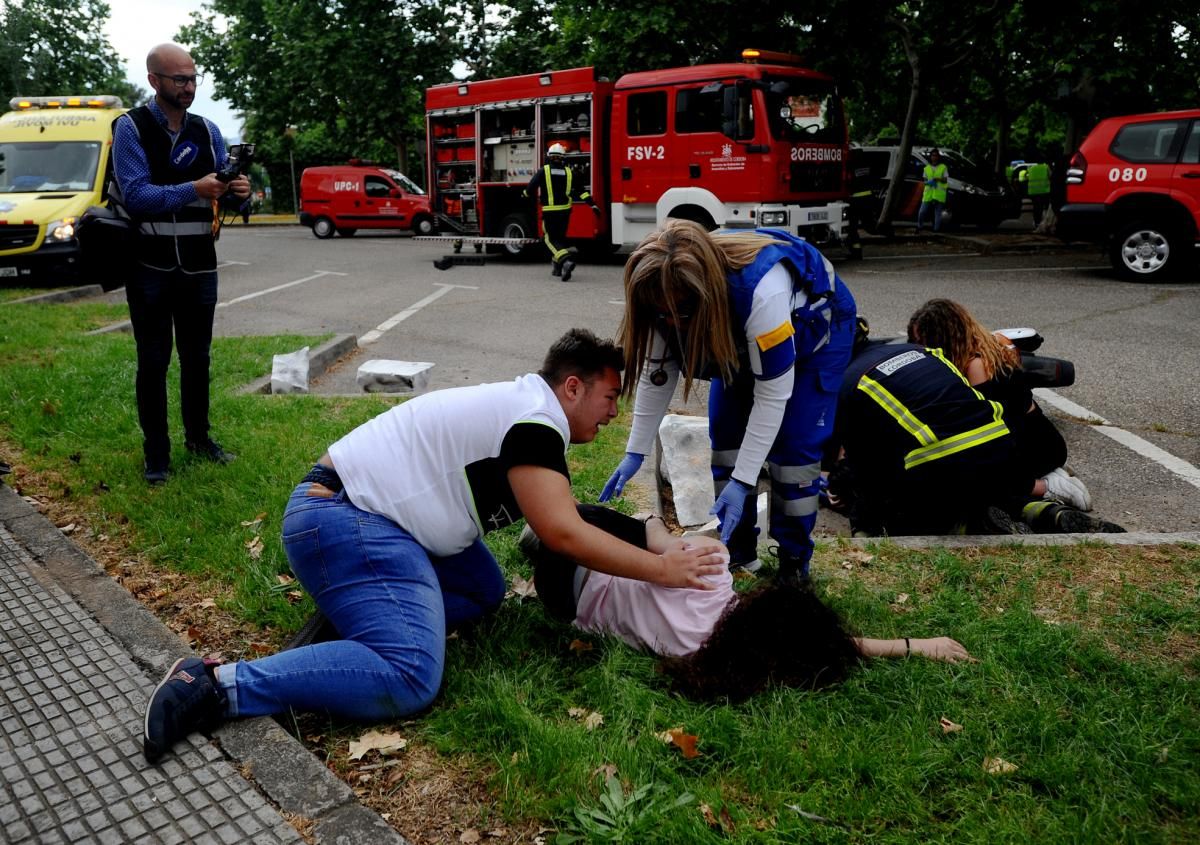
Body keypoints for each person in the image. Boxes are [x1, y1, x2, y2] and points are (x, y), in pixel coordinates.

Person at [142, 329, 727, 763]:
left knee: (483, 589)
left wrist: (653, 534)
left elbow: (566, 516)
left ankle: (358, 614)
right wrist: (661, 571)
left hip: (368, 521)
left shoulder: (528, 414)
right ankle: (218, 686)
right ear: (572, 387)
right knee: (412, 675)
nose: (613, 412)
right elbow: (561, 534)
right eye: (608, 397)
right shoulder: (534, 419)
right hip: (341, 516)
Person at [599, 220, 857, 582]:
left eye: (682, 315)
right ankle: (738, 553)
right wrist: (635, 451)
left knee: (794, 452)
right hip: (735, 328)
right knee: (726, 439)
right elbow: (658, 375)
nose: (673, 323)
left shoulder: (762, 293)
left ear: (705, 294)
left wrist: (744, 481)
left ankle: (794, 562)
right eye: (663, 315)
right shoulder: (662, 290)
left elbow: (771, 396)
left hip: (815, 334)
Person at [521, 505, 974, 702]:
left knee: (637, 530)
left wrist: (653, 521)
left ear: (765, 599)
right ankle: (546, 538)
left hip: (569, 562)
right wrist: (913, 644)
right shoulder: (698, 655)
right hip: (562, 603)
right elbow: (828, 646)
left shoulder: (714, 574)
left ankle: (543, 531)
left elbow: (659, 542)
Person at [112, 43, 251, 485]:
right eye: (179, 80)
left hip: (199, 266)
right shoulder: (130, 128)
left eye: (192, 78)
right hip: (149, 265)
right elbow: (135, 195)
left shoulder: (208, 130)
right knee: (153, 361)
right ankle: (157, 455)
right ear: (154, 80)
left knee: (198, 359)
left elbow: (221, 190)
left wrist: (237, 192)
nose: (188, 87)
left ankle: (199, 439)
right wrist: (195, 187)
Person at [905, 299, 1089, 511]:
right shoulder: (986, 346)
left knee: (972, 478)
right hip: (1039, 438)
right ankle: (1042, 473)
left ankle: (1047, 487)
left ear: (944, 336)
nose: (920, 346)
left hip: (1035, 446)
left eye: (923, 339)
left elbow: (984, 428)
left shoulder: (977, 366)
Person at [522, 143, 601, 281]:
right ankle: (558, 269)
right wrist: (592, 205)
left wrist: (524, 195)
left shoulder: (544, 171)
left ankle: (565, 261)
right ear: (563, 157)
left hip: (550, 211)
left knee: (549, 239)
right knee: (559, 239)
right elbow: (581, 191)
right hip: (565, 212)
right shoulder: (570, 172)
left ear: (549, 157)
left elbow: (530, 187)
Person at [916, 148, 948, 233]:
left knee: (937, 214)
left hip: (939, 194)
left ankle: (936, 230)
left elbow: (945, 180)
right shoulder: (926, 168)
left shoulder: (943, 167)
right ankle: (919, 226)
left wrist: (938, 179)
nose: (934, 157)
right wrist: (929, 182)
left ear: (938, 157)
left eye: (936, 155)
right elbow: (925, 181)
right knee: (922, 212)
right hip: (928, 193)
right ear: (930, 157)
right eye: (933, 155)